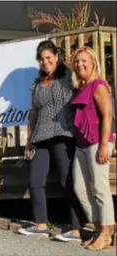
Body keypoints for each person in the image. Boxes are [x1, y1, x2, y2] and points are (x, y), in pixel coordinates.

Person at [17, 40, 86, 242]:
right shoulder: (37, 85)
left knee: (67, 181)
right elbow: (34, 113)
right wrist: (29, 140)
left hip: (63, 135)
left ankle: (76, 229)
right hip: (40, 137)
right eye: (41, 59)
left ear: (57, 57)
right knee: (36, 181)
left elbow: (86, 86)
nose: (45, 62)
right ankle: (40, 225)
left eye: (49, 57)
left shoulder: (68, 77)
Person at [71, 46, 115, 250]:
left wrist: (104, 146)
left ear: (93, 63)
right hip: (82, 144)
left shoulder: (98, 85)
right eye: (77, 61)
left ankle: (107, 233)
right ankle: (99, 228)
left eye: (84, 61)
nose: (80, 64)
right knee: (79, 188)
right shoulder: (81, 87)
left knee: (99, 187)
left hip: (98, 141)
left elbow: (108, 115)